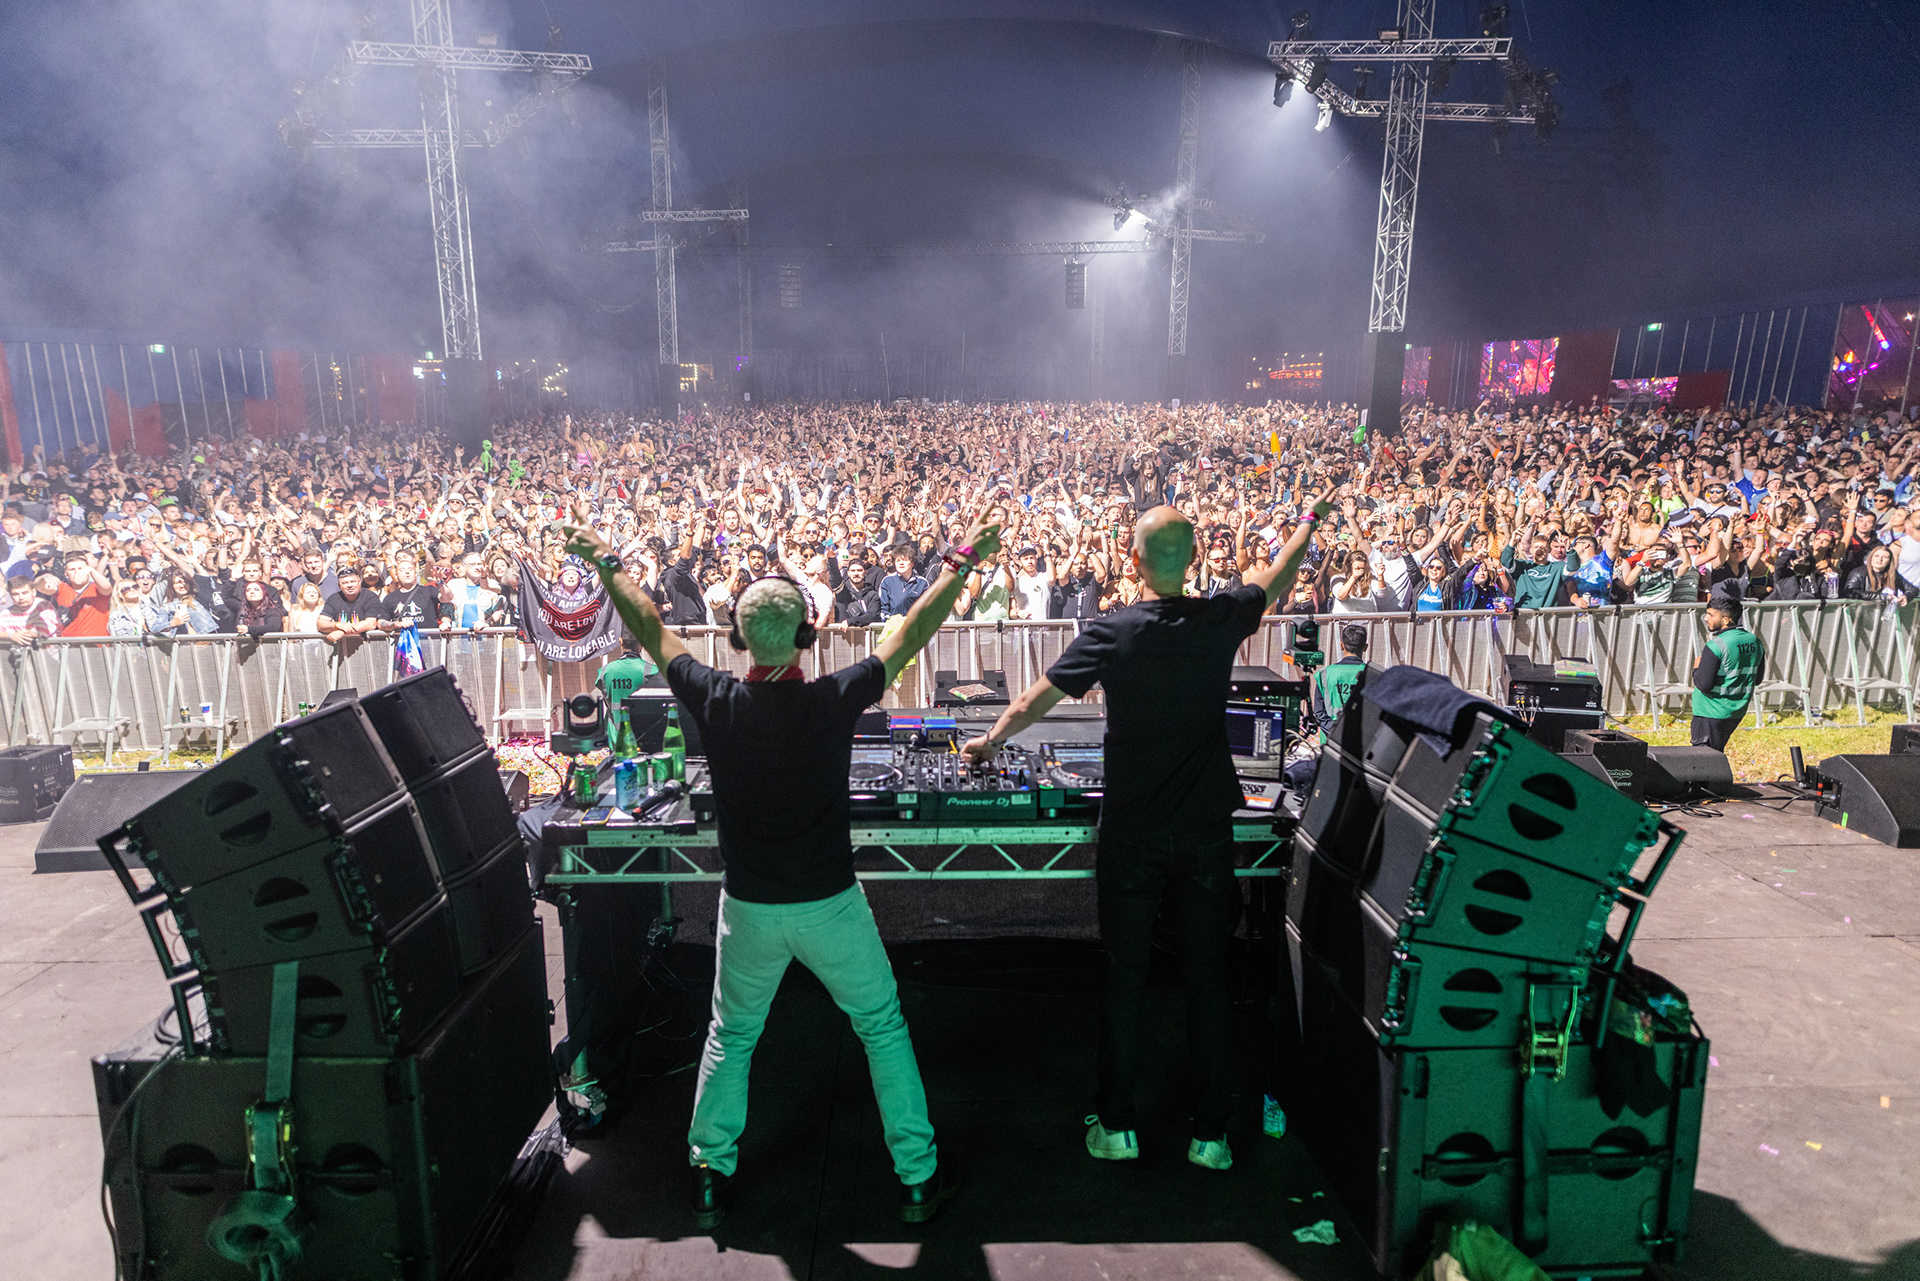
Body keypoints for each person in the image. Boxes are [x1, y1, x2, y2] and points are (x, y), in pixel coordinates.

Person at [562, 505, 1003, 1230]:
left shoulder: (714, 697)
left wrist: (606, 561)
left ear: (737, 639)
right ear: (809, 635)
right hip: (831, 903)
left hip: (749, 909)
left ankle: (710, 1173)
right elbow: (914, 630)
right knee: (882, 1027)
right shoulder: (834, 698)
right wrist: (961, 560)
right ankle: (918, 1178)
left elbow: (648, 623)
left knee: (731, 1037)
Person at [961, 486, 1334, 1173]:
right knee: (1207, 980)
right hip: (1204, 829)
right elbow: (1278, 574)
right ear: (1193, 559)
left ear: (1132, 560)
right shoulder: (1220, 617)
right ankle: (1211, 1136)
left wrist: (989, 741)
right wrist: (1308, 520)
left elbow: (1035, 698)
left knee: (1125, 977)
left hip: (1133, 829)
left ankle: (1117, 1126)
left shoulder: (1113, 632)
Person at [1690, 588, 1766, 751]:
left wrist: (1696, 668)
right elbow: (1757, 679)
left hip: (1710, 711)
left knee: (1703, 758)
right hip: (1735, 712)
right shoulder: (1755, 641)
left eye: (1710, 615)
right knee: (1716, 752)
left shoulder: (1715, 645)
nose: (1706, 618)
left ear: (1725, 620)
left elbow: (1704, 684)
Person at [1311, 623, 1370, 738]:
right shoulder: (1372, 676)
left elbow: (1319, 712)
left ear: (1342, 645)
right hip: (1360, 740)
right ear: (1365, 647)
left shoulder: (1325, 674)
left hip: (1329, 742)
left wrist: (1335, 732)